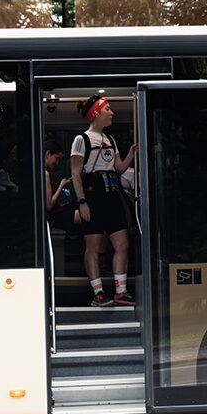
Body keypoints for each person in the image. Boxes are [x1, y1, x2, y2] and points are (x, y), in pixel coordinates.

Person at [70, 95, 138, 307]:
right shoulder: (82, 139)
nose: (112, 113)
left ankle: (121, 291)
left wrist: (130, 155)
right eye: (108, 109)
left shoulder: (111, 140)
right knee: (94, 245)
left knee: (122, 244)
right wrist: (82, 201)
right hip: (93, 194)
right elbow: (75, 172)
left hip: (112, 192)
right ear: (96, 113)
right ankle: (98, 293)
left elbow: (118, 169)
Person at [44, 138, 71, 213]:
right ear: (48, 154)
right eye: (56, 158)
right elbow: (49, 206)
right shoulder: (45, 174)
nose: (57, 163)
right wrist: (61, 186)